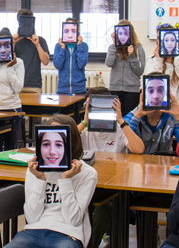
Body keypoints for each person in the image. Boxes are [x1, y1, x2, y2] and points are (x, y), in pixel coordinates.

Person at [4, 114, 98, 248]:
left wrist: (66, 180)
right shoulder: (35, 171)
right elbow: (32, 218)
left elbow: (73, 220)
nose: (52, 151)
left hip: (67, 234)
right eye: (46, 144)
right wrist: (40, 180)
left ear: (71, 143)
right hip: (33, 231)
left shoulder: (87, 173)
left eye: (59, 144)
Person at [78, 87, 143, 248]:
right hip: (87, 184)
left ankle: (90, 245)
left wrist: (120, 120)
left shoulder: (119, 129)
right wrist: (85, 121)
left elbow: (139, 148)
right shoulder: (85, 130)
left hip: (112, 187)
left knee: (105, 207)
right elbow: (64, 140)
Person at [123, 73, 179, 154]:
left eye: (160, 90)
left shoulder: (171, 117)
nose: (155, 96)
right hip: (137, 165)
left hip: (164, 165)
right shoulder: (131, 117)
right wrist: (137, 117)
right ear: (143, 94)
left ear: (167, 93)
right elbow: (125, 145)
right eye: (150, 91)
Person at [149, 27, 179, 119]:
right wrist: (158, 61)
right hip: (160, 108)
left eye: (172, 39)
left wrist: (178, 63)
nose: (169, 43)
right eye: (161, 39)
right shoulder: (152, 60)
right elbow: (152, 85)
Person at [106, 20, 146, 116]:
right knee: (115, 120)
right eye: (120, 33)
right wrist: (115, 45)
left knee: (129, 120)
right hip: (115, 89)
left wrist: (132, 55)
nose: (123, 36)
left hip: (132, 91)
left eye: (125, 33)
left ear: (130, 33)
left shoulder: (138, 48)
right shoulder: (112, 48)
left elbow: (140, 71)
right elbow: (109, 63)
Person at [13, 9, 50, 94]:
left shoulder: (40, 41)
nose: (26, 27)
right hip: (17, 85)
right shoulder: (14, 41)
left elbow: (45, 61)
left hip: (34, 85)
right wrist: (13, 42)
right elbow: (7, 60)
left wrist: (37, 44)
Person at [54, 18, 89, 95]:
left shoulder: (83, 46)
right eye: (66, 31)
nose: (70, 35)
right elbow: (58, 65)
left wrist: (79, 46)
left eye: (73, 31)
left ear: (78, 30)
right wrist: (62, 48)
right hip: (62, 90)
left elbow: (81, 65)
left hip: (79, 90)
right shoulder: (58, 46)